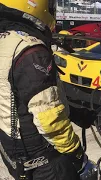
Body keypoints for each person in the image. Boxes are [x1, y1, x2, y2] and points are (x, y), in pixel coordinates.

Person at [0, 1, 87, 179]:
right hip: (41, 156)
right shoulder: (30, 50)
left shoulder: (5, 39)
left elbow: (17, 90)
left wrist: (74, 113)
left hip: (11, 145)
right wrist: (76, 152)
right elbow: (49, 119)